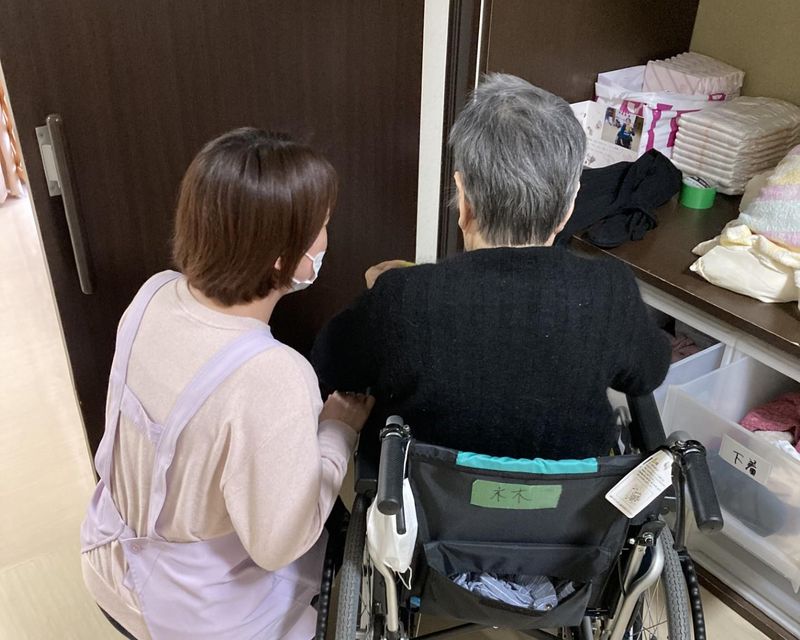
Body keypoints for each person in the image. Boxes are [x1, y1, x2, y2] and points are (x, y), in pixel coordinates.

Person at [80, 128, 374, 640]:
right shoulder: (274, 374)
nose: (326, 240)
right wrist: (338, 432)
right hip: (192, 612)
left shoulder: (153, 294)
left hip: (105, 556)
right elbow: (280, 544)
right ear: (282, 256)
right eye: (322, 227)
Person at [311, 74, 670, 460]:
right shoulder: (610, 291)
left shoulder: (402, 296)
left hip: (425, 496)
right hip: (568, 497)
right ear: (569, 206)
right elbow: (649, 372)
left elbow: (329, 364)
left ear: (464, 199)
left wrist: (381, 296)